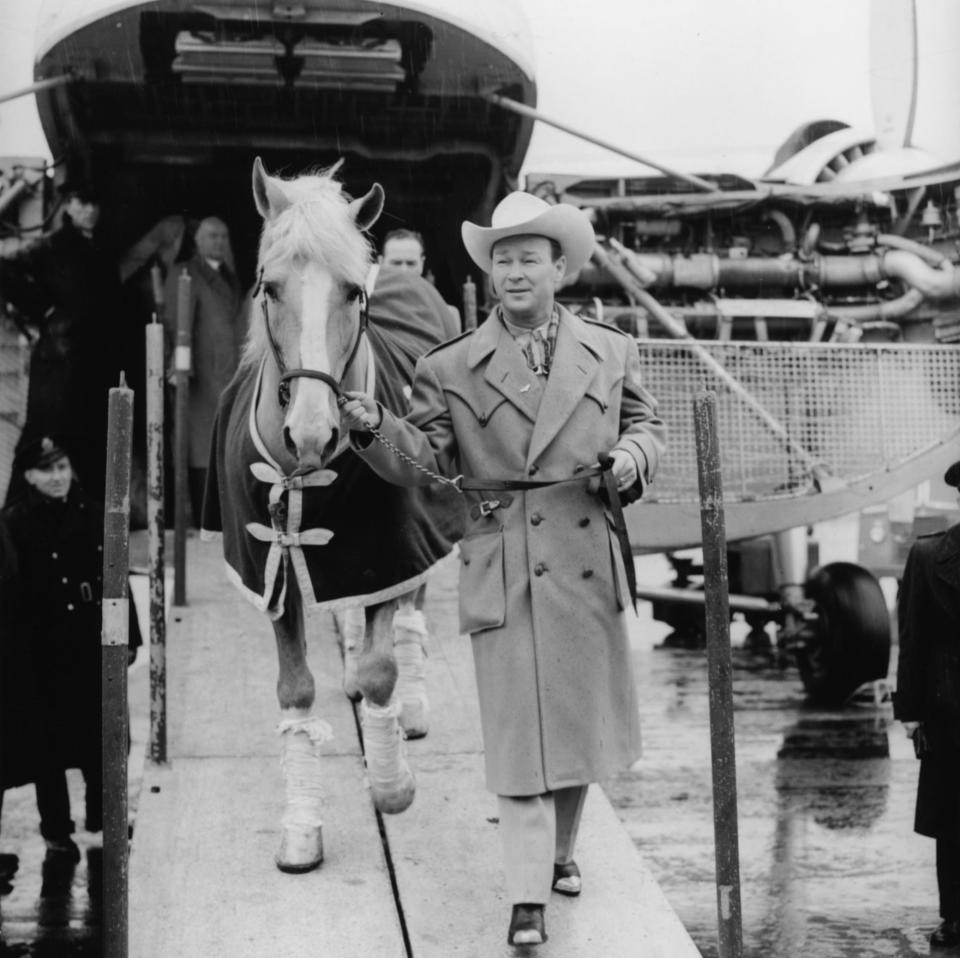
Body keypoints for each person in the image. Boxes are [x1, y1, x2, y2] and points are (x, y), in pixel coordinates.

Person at [342, 191, 666, 947]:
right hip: (508, 564)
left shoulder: (611, 349)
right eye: (502, 261)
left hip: (587, 560)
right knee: (521, 741)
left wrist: (631, 458)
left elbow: (647, 424)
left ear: (560, 268)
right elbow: (423, 465)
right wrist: (373, 429)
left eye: (529, 259)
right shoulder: (449, 366)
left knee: (579, 737)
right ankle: (526, 899)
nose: (514, 273)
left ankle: (558, 853)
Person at [0, 434, 140, 863]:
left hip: (90, 643)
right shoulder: (13, 523)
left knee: (102, 735)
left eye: (63, 468)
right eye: (47, 470)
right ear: (28, 475)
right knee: (47, 749)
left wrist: (130, 637)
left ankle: (104, 819)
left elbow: (117, 579)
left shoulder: (97, 514)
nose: (58, 477)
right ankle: (56, 831)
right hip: (39, 651)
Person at [0, 183, 127, 505]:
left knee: (93, 441)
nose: (89, 211)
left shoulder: (104, 248)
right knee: (45, 437)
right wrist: (42, 308)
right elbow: (5, 269)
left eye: (94, 204)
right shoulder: (51, 246)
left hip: (97, 363)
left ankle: (85, 522)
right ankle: (15, 523)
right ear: (68, 206)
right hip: (60, 364)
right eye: (82, 203)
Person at [895, 458, 960, 950]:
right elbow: (913, 634)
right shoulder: (928, 557)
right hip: (948, 706)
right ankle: (955, 915)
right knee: (951, 817)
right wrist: (912, 711)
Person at [163, 216, 245, 526]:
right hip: (200, 378)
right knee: (200, 447)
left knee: (224, 444)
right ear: (197, 240)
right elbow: (174, 323)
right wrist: (178, 368)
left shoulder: (230, 277)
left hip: (229, 374)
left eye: (223, 237)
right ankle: (203, 519)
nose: (219, 242)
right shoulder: (185, 273)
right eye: (212, 236)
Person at [380, 228, 461, 340]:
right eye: (396, 263)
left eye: (411, 263)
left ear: (422, 263)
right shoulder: (368, 312)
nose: (404, 270)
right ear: (381, 262)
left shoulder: (447, 315)